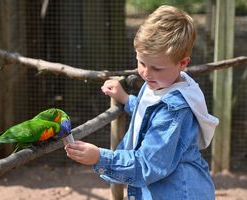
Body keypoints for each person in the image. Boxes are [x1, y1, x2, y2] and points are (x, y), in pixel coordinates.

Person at [65, 5, 219, 200]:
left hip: (177, 193)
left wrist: (99, 157)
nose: (146, 73)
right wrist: (127, 100)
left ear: (183, 63)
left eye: (156, 67)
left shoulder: (175, 109)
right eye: (142, 63)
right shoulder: (161, 83)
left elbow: (147, 164)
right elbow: (150, 111)